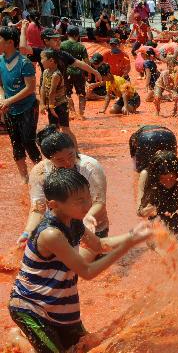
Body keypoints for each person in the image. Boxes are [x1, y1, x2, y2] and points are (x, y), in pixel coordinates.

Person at [9, 168, 152, 353]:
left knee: (85, 349)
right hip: (31, 307)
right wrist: (129, 244)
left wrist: (131, 235)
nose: (88, 204)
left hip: (59, 304)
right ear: (53, 205)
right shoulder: (51, 234)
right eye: (80, 201)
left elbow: (99, 245)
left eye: (87, 197)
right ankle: (17, 338)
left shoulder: (73, 221)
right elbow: (87, 271)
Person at [21, 126, 108, 251]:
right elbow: (38, 208)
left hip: (92, 226)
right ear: (48, 159)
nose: (68, 163)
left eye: (71, 155)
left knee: (82, 266)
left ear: (75, 148)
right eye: (60, 160)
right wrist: (28, 232)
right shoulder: (40, 173)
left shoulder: (90, 166)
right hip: (57, 230)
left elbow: (99, 202)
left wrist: (87, 217)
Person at [0, 25, 40, 182]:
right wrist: (3, 98)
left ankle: (41, 174)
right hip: (10, 108)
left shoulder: (24, 63)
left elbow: (30, 88)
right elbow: (1, 85)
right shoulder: (0, 61)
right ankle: (25, 179)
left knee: (28, 141)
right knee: (16, 143)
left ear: (9, 42)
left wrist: (9, 100)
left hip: (28, 107)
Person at [38, 50, 73, 137]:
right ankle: (58, 149)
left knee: (65, 129)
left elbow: (52, 92)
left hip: (61, 105)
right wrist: (42, 103)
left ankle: (75, 150)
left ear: (51, 61)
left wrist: (51, 107)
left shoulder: (56, 75)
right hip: (52, 105)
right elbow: (42, 87)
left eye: (42, 58)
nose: (40, 61)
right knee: (54, 129)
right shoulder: (45, 72)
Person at [59, 26, 90, 118]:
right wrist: (88, 74)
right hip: (79, 72)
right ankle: (81, 114)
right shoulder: (81, 47)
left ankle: (72, 113)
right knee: (81, 93)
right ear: (77, 35)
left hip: (65, 72)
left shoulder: (62, 45)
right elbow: (86, 62)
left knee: (67, 93)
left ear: (67, 34)